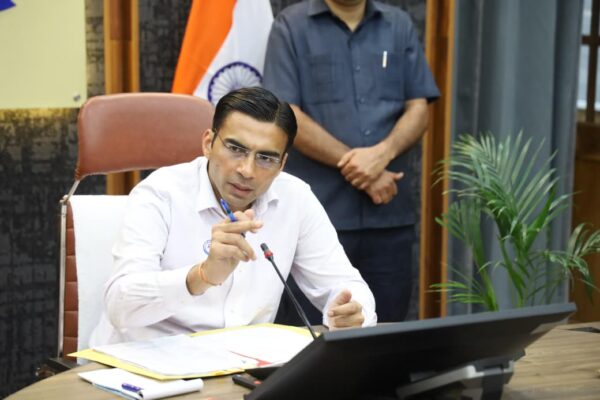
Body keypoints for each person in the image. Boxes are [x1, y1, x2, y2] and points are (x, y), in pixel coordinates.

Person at [90, 87, 376, 346]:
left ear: (282, 164)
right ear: (208, 143)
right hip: (147, 365)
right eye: (236, 149)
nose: (247, 171)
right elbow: (120, 305)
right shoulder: (159, 194)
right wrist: (201, 276)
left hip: (242, 367)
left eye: (266, 158)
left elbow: (345, 284)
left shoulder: (296, 198)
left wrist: (352, 312)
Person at [263, 0, 439, 322]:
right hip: (318, 217)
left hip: (389, 216)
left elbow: (419, 107)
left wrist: (382, 154)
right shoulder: (290, 26)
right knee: (311, 334)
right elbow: (286, 114)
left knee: (387, 330)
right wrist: (360, 165)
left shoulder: (398, 25)